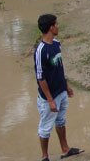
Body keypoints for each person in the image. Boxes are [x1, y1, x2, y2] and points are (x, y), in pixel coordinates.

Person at [34, 14, 84, 161]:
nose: (58, 26)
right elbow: (40, 77)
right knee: (45, 128)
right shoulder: (41, 50)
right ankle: (44, 157)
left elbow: (59, 68)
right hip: (49, 97)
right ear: (51, 27)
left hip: (61, 91)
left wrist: (66, 86)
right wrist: (50, 100)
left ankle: (65, 149)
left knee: (61, 121)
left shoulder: (56, 44)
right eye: (56, 24)